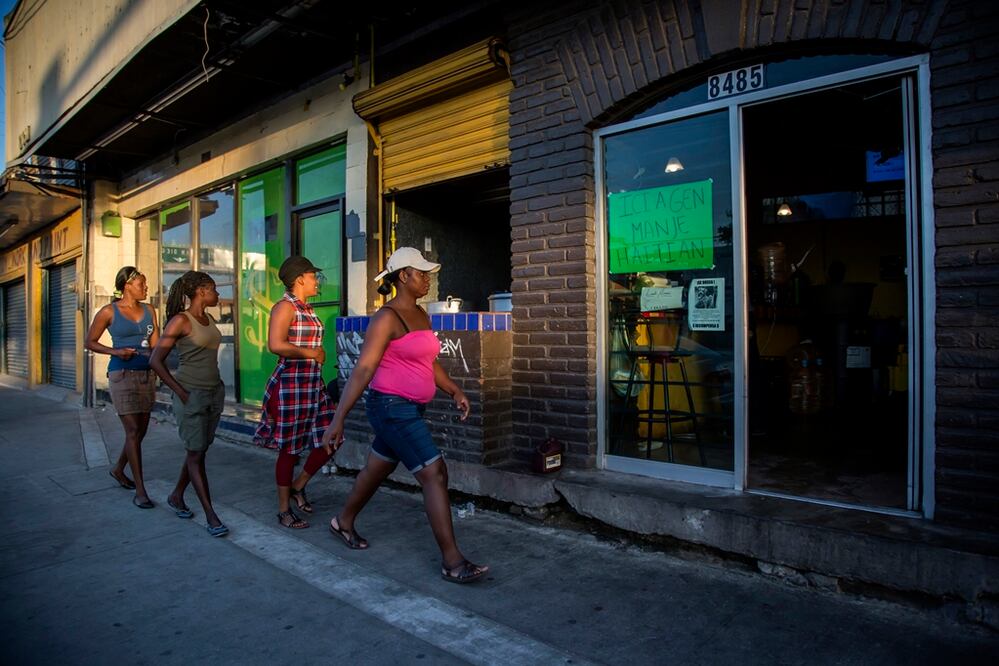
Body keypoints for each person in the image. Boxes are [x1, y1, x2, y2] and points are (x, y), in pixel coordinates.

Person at [321, 247, 489, 584]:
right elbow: (363, 368)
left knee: (375, 469)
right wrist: (338, 419)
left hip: (410, 408)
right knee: (435, 473)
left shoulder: (422, 315)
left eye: (428, 273)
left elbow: (428, 362)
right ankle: (452, 562)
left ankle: (343, 521)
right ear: (403, 276)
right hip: (391, 408)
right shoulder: (386, 318)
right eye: (421, 273)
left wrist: (454, 390)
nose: (428, 278)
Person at [254, 256, 336, 529]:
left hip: (312, 385)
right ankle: (283, 510)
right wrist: (309, 352)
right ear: (300, 278)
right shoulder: (284, 307)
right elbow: (275, 344)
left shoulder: (307, 308)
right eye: (313, 276)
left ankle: (298, 486)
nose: (317, 281)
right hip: (290, 385)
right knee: (289, 450)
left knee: (333, 437)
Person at [150, 271, 228, 537]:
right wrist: (180, 392)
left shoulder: (208, 318)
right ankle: (211, 515)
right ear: (202, 291)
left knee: (199, 450)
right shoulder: (180, 321)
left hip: (213, 393)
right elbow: (155, 361)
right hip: (191, 394)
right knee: (196, 454)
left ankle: (176, 496)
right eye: (215, 290)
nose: (218, 295)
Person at [85, 266, 159, 509]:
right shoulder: (109, 311)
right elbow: (90, 342)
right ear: (128, 285)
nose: (146, 288)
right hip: (121, 374)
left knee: (140, 432)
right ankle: (140, 491)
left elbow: (157, 346)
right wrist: (115, 351)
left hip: (147, 375)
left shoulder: (150, 310)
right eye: (142, 284)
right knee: (132, 432)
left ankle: (118, 469)